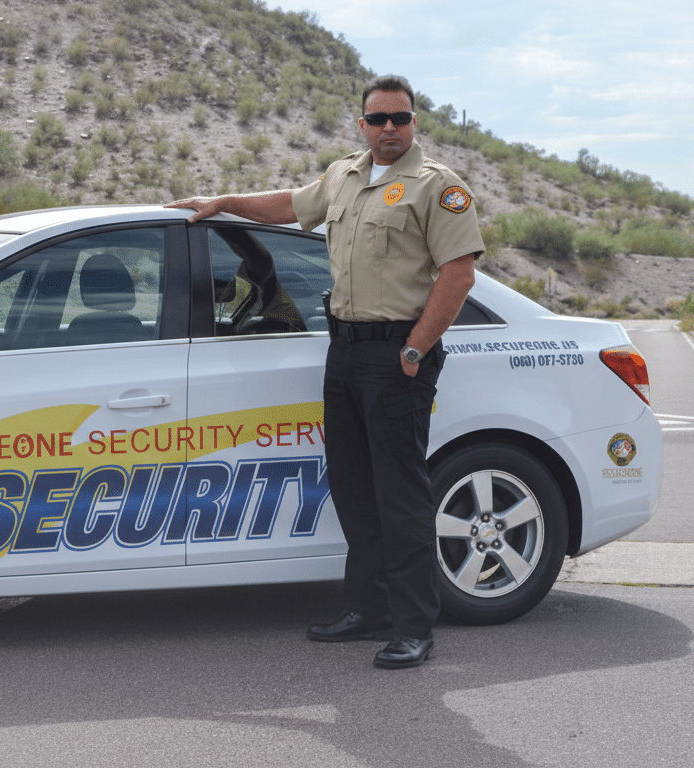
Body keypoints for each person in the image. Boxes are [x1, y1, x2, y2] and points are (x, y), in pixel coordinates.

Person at [167, 74, 483, 670]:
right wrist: (224, 204)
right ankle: (368, 610)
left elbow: (458, 274)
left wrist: (415, 350)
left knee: (400, 495)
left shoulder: (439, 188)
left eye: (400, 118)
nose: (389, 128)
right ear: (360, 124)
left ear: (415, 123)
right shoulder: (344, 175)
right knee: (353, 486)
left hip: (396, 355)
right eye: (378, 119)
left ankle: (414, 625)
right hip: (344, 350)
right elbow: (289, 205)